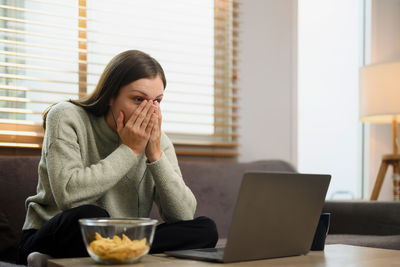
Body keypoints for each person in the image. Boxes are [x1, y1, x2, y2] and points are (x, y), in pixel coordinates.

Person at [16, 50, 218, 265]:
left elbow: (183, 214)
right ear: (111, 96)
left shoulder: (159, 141)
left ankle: (118, 251)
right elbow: (69, 196)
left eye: (157, 101)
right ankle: (64, 254)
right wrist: (130, 150)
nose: (149, 111)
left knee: (205, 229)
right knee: (88, 217)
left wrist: (155, 155)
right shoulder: (66, 116)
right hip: (56, 233)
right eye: (138, 99)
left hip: (119, 236)